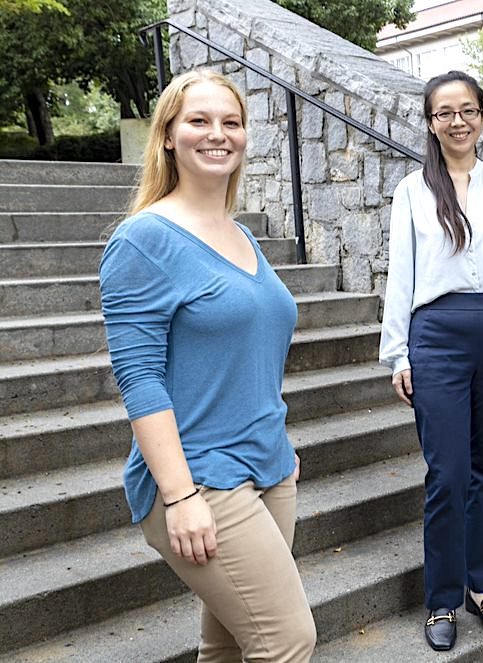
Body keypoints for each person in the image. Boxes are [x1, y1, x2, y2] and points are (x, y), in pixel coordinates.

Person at [99, 69, 316, 662]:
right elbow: (139, 379)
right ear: (168, 135)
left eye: (232, 122)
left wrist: (277, 441)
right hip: (198, 478)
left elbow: (251, 354)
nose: (217, 134)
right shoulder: (143, 241)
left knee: (226, 644)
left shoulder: (240, 234)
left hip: (269, 466)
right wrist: (179, 495)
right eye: (199, 120)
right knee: (288, 641)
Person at [379, 70, 483, 652]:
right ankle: (443, 598)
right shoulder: (412, 191)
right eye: (444, 112)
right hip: (438, 338)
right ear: (430, 122)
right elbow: (399, 278)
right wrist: (398, 353)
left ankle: (481, 585)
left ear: (482, 116)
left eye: (468, 109)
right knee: (447, 474)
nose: (457, 120)